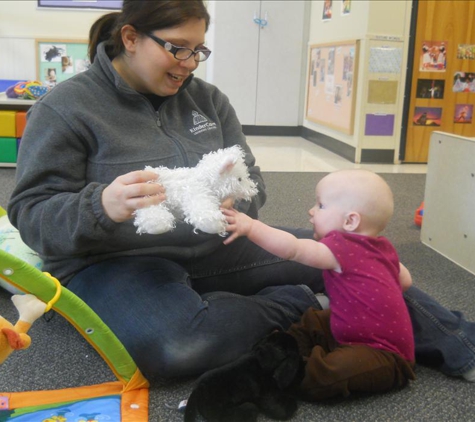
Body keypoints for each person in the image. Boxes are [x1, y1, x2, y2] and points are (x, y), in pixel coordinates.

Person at [7, 0, 475, 384]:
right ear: (130, 38)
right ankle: (296, 304)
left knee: (356, 255)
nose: (188, 65)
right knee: (177, 348)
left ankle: (461, 343)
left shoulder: (208, 101)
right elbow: (31, 212)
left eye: (199, 51)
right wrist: (101, 205)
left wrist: (236, 200)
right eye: (178, 49)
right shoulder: (64, 108)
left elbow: (253, 182)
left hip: (219, 243)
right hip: (112, 264)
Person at [222, 169, 416, 399]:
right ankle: (285, 346)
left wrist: (252, 227)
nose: (311, 211)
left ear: (350, 221)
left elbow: (292, 248)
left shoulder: (340, 247)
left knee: (333, 372)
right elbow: (405, 281)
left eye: (321, 206)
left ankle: (289, 371)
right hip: (351, 329)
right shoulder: (383, 248)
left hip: (384, 355)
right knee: (316, 319)